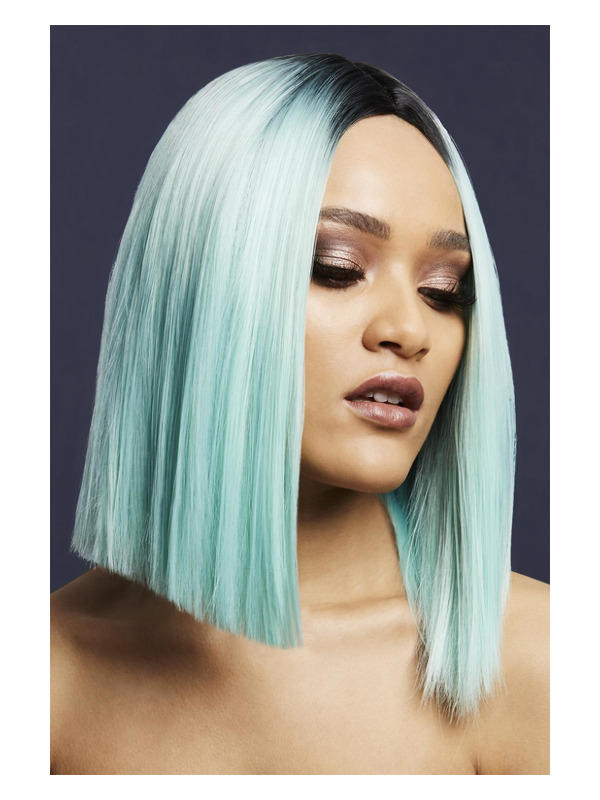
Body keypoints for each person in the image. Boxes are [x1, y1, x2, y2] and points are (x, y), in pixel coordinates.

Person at [50, 54, 549, 775]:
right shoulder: (48, 678)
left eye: (444, 290)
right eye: (338, 267)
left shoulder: (540, 665)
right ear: (202, 286)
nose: (409, 329)